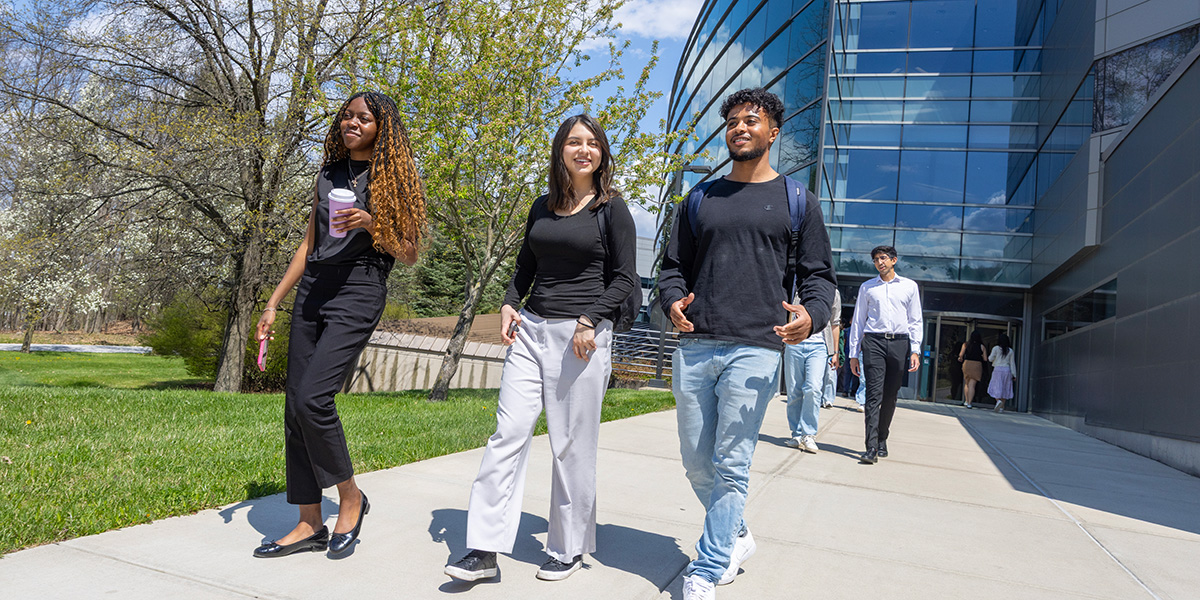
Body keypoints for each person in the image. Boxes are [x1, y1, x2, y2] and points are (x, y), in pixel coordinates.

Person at [657, 88, 836, 600]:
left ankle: (707, 569)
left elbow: (819, 278)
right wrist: (672, 301)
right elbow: (673, 268)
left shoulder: (797, 201)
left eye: (751, 120)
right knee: (697, 461)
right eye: (733, 120)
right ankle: (736, 535)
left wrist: (813, 315)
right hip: (696, 344)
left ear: (772, 132)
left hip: (757, 348)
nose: (739, 127)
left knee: (731, 464)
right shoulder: (701, 198)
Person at [444, 114, 637, 583]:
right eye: (574, 142)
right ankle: (484, 550)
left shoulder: (612, 210)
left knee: (570, 445)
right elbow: (524, 268)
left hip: (581, 338)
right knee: (507, 434)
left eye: (592, 143)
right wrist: (511, 303)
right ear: (561, 151)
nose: (583, 149)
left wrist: (591, 320)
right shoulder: (542, 207)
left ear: (602, 153)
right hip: (531, 331)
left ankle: (567, 548)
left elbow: (626, 279)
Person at [253, 91, 425, 558]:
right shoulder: (327, 173)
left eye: (363, 118)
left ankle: (350, 497)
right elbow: (308, 244)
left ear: (381, 128)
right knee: (294, 406)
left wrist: (372, 224)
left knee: (314, 398)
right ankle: (309, 522)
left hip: (359, 289)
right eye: (347, 116)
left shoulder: (392, 181)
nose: (352, 123)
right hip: (314, 288)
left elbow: (409, 253)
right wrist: (273, 302)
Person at [848, 245, 922, 465]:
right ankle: (870, 447)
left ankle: (882, 439)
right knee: (873, 395)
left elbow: (915, 320)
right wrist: (853, 353)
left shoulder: (909, 287)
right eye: (876, 260)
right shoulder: (867, 288)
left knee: (890, 395)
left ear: (894, 260)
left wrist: (915, 349)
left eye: (883, 258)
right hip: (874, 342)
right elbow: (858, 321)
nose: (879, 262)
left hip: (900, 342)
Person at [784, 290, 841, 452]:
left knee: (814, 388)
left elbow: (835, 323)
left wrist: (835, 352)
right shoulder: (796, 289)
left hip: (818, 346)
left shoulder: (833, 293)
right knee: (794, 391)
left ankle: (808, 434)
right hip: (794, 344)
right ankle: (796, 433)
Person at [987, 333, 1017, 412]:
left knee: (996, 386)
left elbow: (990, 359)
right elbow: (1012, 363)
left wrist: (992, 358)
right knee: (1005, 387)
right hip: (1007, 370)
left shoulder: (996, 348)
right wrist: (1014, 374)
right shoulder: (1010, 350)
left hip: (997, 369)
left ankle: (998, 401)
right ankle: (1001, 407)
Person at [958, 330, 987, 408]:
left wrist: (960, 358)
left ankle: (966, 401)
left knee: (967, 383)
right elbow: (985, 359)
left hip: (967, 363)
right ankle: (970, 403)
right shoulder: (982, 346)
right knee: (972, 385)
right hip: (977, 365)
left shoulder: (966, 344)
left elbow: (961, 355)